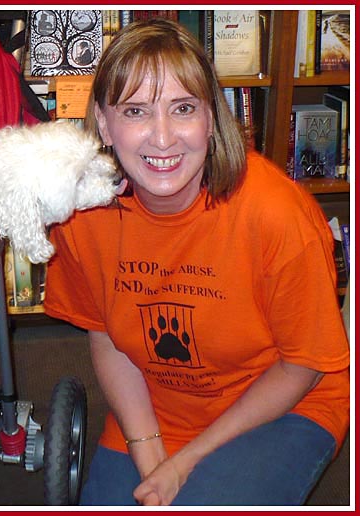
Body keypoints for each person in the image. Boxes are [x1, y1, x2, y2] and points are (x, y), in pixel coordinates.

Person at [43, 19, 350, 506]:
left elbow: (302, 368)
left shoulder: (275, 214)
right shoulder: (82, 213)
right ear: (103, 121)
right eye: (136, 111)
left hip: (284, 405)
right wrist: (151, 457)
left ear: (212, 116)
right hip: (158, 410)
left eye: (182, 108)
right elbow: (107, 338)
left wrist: (183, 465)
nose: (162, 138)